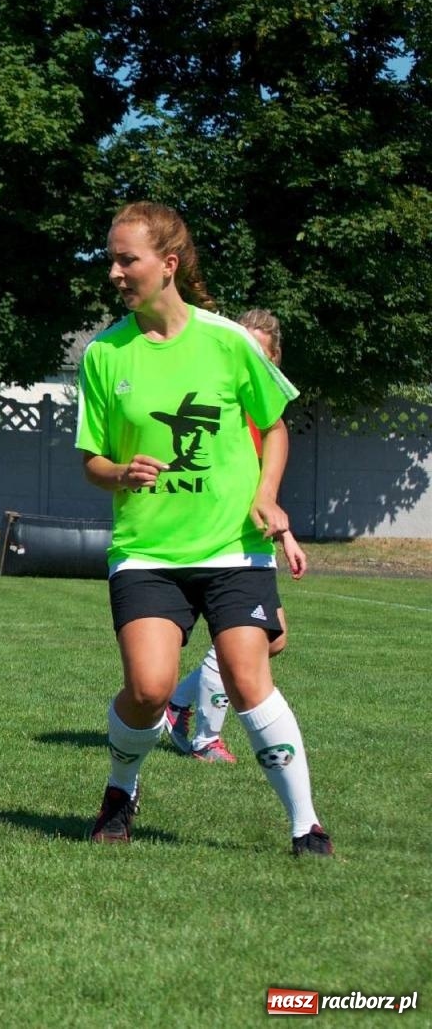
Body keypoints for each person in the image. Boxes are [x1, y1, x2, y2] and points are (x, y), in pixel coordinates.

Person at [77, 200, 331, 856]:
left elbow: (274, 426)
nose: (114, 273)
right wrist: (119, 472)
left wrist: (267, 495)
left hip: (232, 548)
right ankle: (120, 790)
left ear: (168, 263)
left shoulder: (229, 341)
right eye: (111, 260)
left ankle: (306, 826)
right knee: (149, 689)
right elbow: (91, 462)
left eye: (126, 260)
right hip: (147, 552)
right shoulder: (104, 354)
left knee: (248, 679)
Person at [163, 309, 308, 762]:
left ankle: (177, 704)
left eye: (259, 354)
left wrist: (285, 534)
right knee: (250, 641)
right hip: (221, 542)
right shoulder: (225, 402)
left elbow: (262, 485)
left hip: (251, 536)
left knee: (272, 640)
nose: (248, 360)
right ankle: (205, 736)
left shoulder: (263, 409)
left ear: (274, 359)